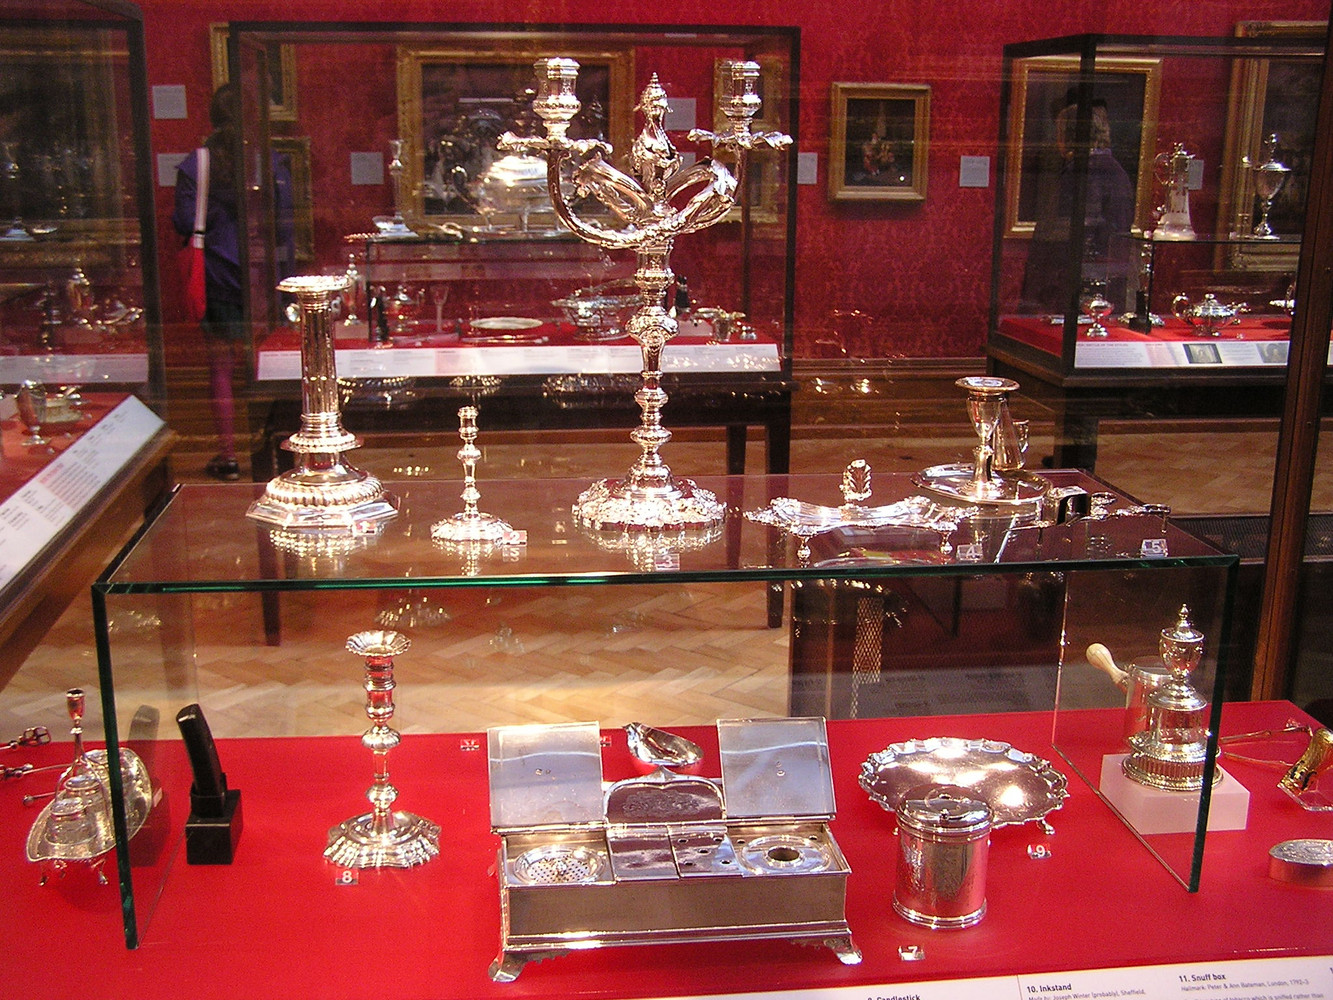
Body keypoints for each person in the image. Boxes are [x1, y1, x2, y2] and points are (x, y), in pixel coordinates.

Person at [173, 83, 294, 480]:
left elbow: (184, 222)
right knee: (266, 365)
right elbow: (284, 225)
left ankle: (228, 456)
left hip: (217, 275)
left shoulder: (198, 163)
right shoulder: (268, 162)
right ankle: (276, 455)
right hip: (261, 276)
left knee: (221, 366)